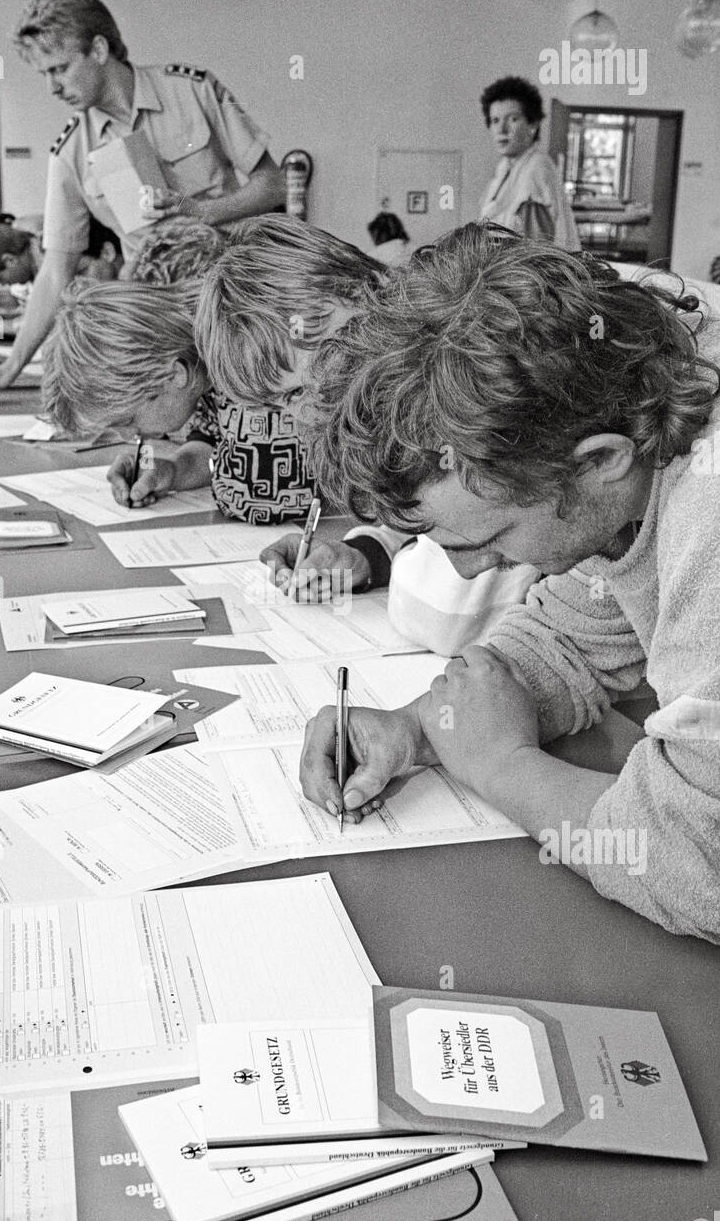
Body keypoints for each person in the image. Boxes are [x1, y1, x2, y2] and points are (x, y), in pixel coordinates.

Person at [299, 222, 720, 942]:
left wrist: (498, 764)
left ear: (598, 460)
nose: (469, 569)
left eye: (488, 538)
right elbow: (573, 633)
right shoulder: (612, 439)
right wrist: (425, 727)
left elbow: (696, 865)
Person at [195, 213, 539, 640]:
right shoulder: (388, 383)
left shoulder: (466, 362)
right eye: (281, 403)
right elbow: (430, 519)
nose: (302, 419)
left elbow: (447, 618)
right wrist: (365, 555)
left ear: (357, 293)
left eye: (300, 390)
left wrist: (408, 566)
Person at [0, 0, 284, 411]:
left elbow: (273, 184)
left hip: (239, 306)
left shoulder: (191, 91)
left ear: (100, 49)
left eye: (61, 68)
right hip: (166, 329)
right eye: (44, 74)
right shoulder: (71, 153)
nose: (52, 86)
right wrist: (11, 366)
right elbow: (55, 270)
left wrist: (204, 212)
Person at [42, 278, 316, 524]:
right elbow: (214, 440)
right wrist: (173, 471)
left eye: (127, 420)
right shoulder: (204, 340)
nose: (127, 435)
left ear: (174, 375)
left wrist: (220, 467)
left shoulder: (253, 351)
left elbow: (261, 497)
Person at [479, 76, 579, 250]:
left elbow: (534, 253)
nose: (501, 129)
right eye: (495, 120)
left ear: (532, 124)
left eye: (512, 119)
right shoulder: (505, 167)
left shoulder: (536, 169)